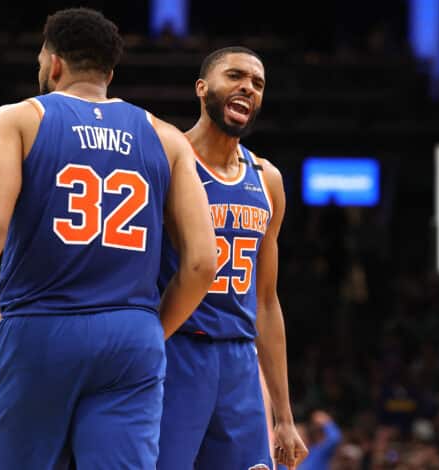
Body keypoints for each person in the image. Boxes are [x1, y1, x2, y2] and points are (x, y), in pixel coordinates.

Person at [0, 8, 217, 469]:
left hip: (41, 327)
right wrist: (151, 330)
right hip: (130, 335)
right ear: (109, 73)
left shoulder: (17, 120)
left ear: (53, 63)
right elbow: (201, 263)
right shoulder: (168, 139)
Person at [157, 46, 308, 469]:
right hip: (176, 350)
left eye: (258, 84)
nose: (248, 87)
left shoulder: (267, 179)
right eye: (235, 76)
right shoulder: (168, 161)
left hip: (240, 361)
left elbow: (266, 301)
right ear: (202, 88)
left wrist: (284, 416)